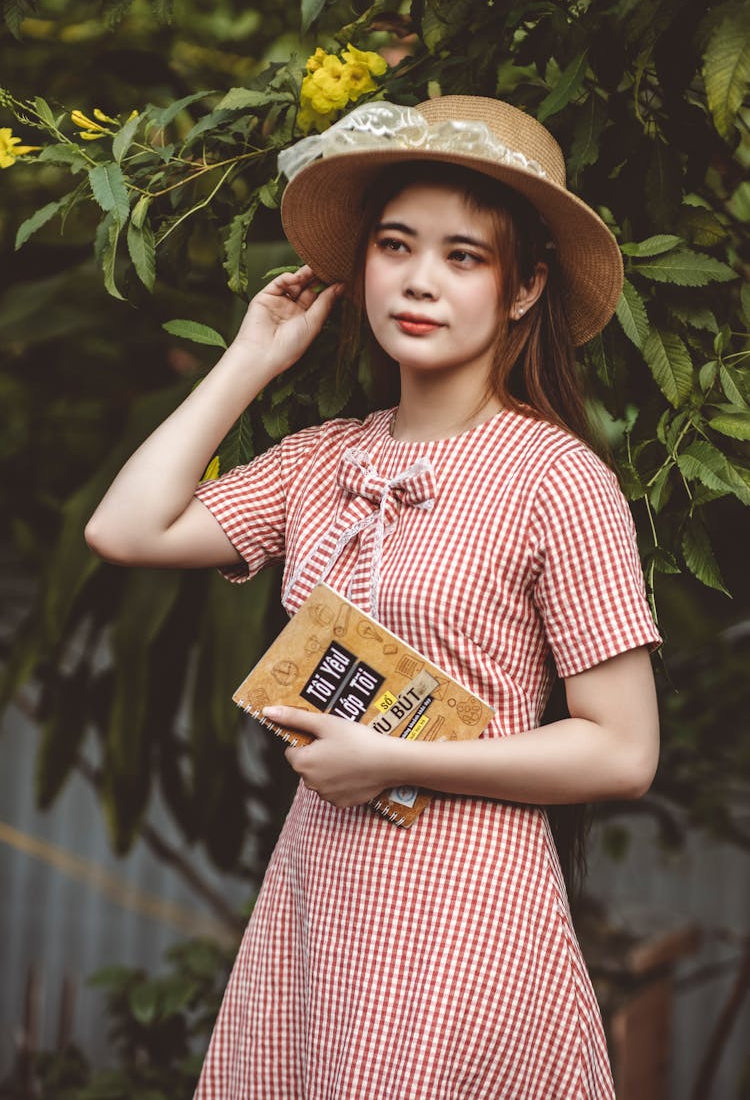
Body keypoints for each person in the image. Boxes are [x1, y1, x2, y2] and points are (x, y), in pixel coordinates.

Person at [85, 95, 661, 1099]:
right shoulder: (322, 461)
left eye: (463, 257)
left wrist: (388, 757)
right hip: (324, 888)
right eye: (396, 246)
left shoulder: (556, 480)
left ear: (523, 288)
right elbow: (125, 528)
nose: (420, 281)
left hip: (469, 900)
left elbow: (622, 749)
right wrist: (253, 358)